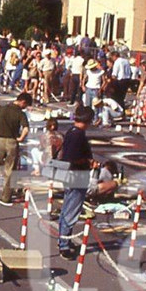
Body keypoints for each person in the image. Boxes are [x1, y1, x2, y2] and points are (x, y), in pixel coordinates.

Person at [55, 104, 97, 258]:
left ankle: (64, 239)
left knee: (67, 208)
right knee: (71, 210)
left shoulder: (71, 132)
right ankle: (64, 245)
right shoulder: (78, 135)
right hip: (77, 176)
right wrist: (88, 161)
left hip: (70, 176)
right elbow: (72, 158)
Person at [0, 92, 31, 205]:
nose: (25, 107)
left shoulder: (2, 109)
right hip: (12, 142)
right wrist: (21, 138)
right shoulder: (20, 113)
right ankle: (6, 196)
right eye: (26, 105)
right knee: (9, 170)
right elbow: (26, 128)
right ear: (23, 102)